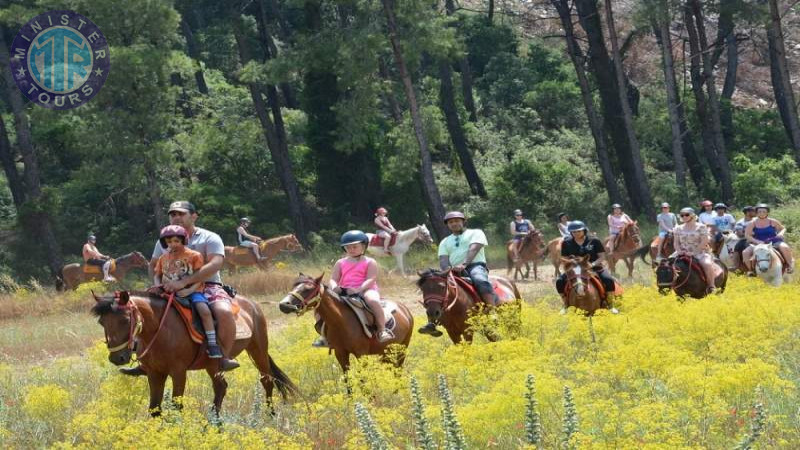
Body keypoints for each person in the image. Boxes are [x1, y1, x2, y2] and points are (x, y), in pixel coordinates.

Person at [121, 201, 239, 376]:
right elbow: (154, 265)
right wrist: (157, 283)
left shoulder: (209, 237)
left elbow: (216, 263)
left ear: (194, 216)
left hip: (207, 285)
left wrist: (185, 283)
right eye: (172, 214)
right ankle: (143, 358)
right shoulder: (163, 241)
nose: (176, 217)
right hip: (168, 286)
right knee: (142, 309)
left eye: (181, 214)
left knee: (222, 311)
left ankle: (222, 355)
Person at [419, 211, 496, 335]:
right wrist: (446, 271)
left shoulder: (476, 233)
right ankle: (432, 322)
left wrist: (464, 264)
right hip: (453, 270)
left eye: (457, 221)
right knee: (435, 287)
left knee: (479, 279)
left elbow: (474, 248)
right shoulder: (445, 241)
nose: (454, 223)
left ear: (463, 221)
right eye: (451, 222)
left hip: (474, 266)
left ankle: (492, 312)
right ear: (447, 225)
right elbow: (443, 259)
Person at [153, 225, 223, 358]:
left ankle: (213, 344)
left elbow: (200, 277)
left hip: (193, 290)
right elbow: (157, 274)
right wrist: (157, 286)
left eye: (176, 241)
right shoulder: (163, 258)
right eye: (169, 242)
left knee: (204, 310)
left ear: (183, 240)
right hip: (167, 291)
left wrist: (189, 290)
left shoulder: (194, 255)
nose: (173, 244)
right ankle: (139, 346)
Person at [330, 230, 393, 343]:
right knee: (323, 304)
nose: (351, 250)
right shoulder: (340, 263)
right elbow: (333, 279)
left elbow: (371, 278)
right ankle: (324, 334)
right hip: (345, 290)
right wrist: (334, 287)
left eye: (355, 247)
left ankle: (382, 330)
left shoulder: (370, 261)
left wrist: (358, 289)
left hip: (366, 289)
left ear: (363, 246)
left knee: (373, 301)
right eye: (348, 247)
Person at [556, 220, 618, 314]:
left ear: (584, 230)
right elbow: (564, 258)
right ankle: (565, 304)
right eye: (574, 232)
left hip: (594, 267)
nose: (576, 233)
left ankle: (610, 304)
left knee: (608, 279)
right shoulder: (566, 242)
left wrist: (592, 264)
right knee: (559, 281)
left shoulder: (594, 240)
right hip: (575, 268)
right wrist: (571, 263)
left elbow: (602, 257)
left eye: (578, 231)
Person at [671, 207, 718, 294]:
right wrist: (679, 251)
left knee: (707, 264)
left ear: (692, 215)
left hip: (699, 252)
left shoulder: (701, 227)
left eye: (686, 215)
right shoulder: (678, 228)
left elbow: (705, 241)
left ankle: (711, 286)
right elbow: (676, 243)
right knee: (666, 264)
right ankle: (666, 285)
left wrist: (694, 252)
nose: (684, 217)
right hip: (681, 252)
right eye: (682, 215)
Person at [742, 203, 793, 274]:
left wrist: (780, 233)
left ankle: (790, 266)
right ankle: (751, 270)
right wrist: (757, 241)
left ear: (767, 212)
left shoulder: (772, 221)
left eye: (764, 211)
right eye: (759, 212)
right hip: (758, 243)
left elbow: (783, 228)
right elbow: (747, 235)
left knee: (785, 247)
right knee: (745, 252)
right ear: (756, 213)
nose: (762, 213)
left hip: (774, 241)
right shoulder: (752, 223)